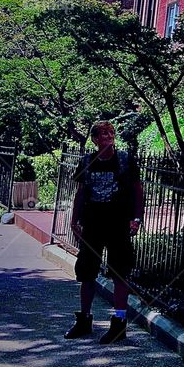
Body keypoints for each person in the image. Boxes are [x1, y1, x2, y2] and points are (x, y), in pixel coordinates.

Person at [64, 121, 145, 344]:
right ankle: (84, 320)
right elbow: (80, 193)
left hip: (118, 223)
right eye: (103, 134)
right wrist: (74, 220)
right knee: (87, 271)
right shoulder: (87, 162)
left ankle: (119, 323)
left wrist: (137, 218)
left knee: (120, 272)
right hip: (93, 223)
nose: (108, 137)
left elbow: (138, 190)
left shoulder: (126, 161)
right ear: (95, 139)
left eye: (111, 133)